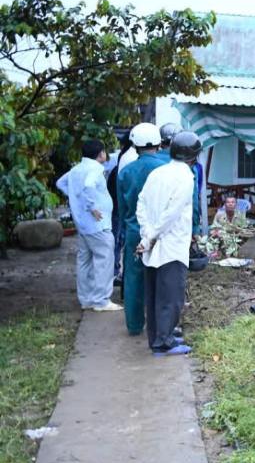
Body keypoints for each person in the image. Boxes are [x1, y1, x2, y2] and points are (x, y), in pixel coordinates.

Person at [136, 130, 201, 356]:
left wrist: (146, 235)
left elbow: (141, 203)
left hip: (152, 244)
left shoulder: (157, 173)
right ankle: (164, 342)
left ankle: (159, 336)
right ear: (194, 157)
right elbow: (171, 213)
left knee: (154, 295)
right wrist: (152, 235)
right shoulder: (185, 177)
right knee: (171, 296)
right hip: (171, 245)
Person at [55, 140, 122, 311]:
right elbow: (88, 186)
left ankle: (86, 299)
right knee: (104, 260)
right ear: (101, 154)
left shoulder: (77, 169)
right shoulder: (95, 169)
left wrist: (75, 198)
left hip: (83, 224)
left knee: (84, 261)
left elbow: (60, 183)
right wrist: (91, 206)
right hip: (98, 225)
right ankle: (101, 300)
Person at [117, 123, 168, 335]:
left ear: (135, 145)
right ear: (158, 143)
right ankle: (162, 325)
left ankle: (135, 325)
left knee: (133, 278)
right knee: (163, 277)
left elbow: (122, 208)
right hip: (162, 231)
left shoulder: (126, 172)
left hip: (133, 231)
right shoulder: (166, 168)